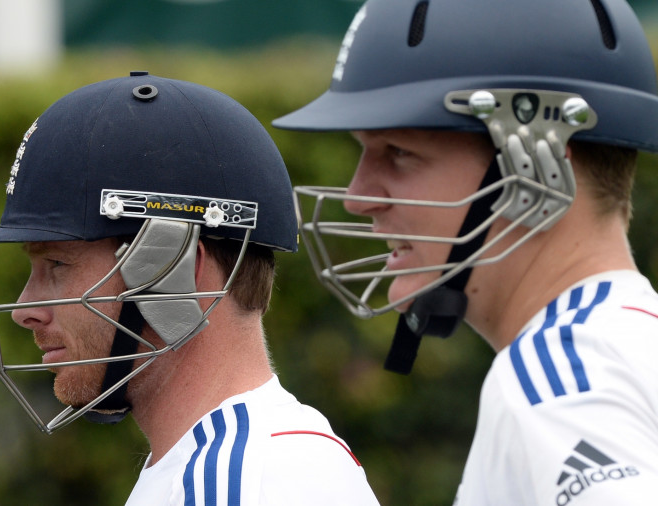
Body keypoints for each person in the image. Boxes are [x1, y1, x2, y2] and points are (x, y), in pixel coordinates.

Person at [273, 0, 658, 504]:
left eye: (400, 154)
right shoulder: (627, 341)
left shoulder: (559, 376)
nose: (357, 197)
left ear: (537, 170)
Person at [0, 72, 380, 506]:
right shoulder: (225, 465)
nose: (24, 309)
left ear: (172, 272)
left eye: (58, 264)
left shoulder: (240, 481)